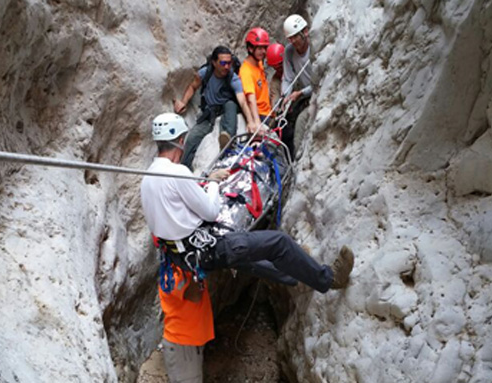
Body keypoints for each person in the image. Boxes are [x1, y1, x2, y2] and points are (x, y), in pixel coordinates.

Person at [141, 113, 355, 382]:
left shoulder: (147, 177)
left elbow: (171, 208)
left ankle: (292, 276)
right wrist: (214, 185)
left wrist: (204, 180)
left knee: (247, 260)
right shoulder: (178, 173)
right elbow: (209, 210)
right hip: (206, 249)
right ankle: (327, 279)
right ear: (181, 140)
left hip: (180, 257)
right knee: (277, 242)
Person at [174, 46, 256, 170]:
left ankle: (227, 140)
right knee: (192, 139)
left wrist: (250, 122)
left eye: (229, 63)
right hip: (209, 112)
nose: (227, 67)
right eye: (223, 63)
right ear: (214, 62)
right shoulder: (205, 73)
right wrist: (183, 102)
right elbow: (193, 87)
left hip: (226, 109)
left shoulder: (232, 77)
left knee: (231, 105)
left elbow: (242, 101)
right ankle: (184, 169)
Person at [282, 14, 313, 158]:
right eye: (290, 38)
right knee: (284, 120)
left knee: (300, 121)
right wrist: (286, 97)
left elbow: (319, 83)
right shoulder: (289, 52)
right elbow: (288, 79)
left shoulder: (314, 46)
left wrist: (300, 93)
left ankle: (297, 159)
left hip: (315, 93)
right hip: (302, 95)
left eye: (296, 37)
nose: (293, 41)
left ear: (305, 32)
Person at [239, 28, 272, 131]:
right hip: (260, 115)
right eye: (260, 48)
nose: (264, 52)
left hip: (268, 112)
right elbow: (250, 99)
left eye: (265, 48)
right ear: (250, 48)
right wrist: (257, 123)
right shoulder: (246, 71)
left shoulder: (259, 63)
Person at [267, 43, 285, 109]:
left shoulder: (296, 69)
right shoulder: (275, 81)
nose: (279, 69)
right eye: (275, 67)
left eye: (280, 66)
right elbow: (275, 99)